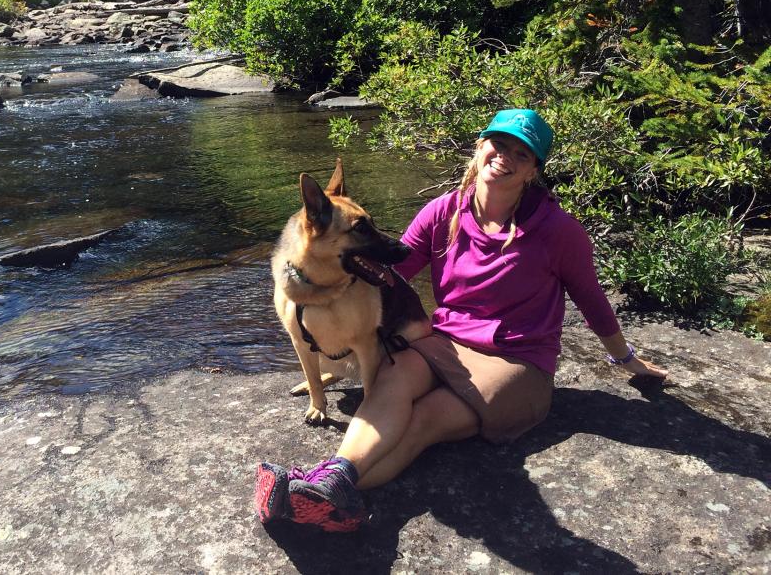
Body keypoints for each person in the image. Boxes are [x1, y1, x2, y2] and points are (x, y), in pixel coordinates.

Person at [254, 108, 668, 532]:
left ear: (533, 171)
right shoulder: (443, 211)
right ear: (480, 146)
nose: (505, 157)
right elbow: (392, 272)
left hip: (515, 363)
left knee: (422, 421)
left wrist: (625, 359)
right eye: (500, 144)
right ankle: (326, 484)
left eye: (522, 154)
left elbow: (590, 297)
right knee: (386, 390)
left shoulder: (559, 231)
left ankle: (318, 494)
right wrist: (311, 280)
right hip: (444, 344)